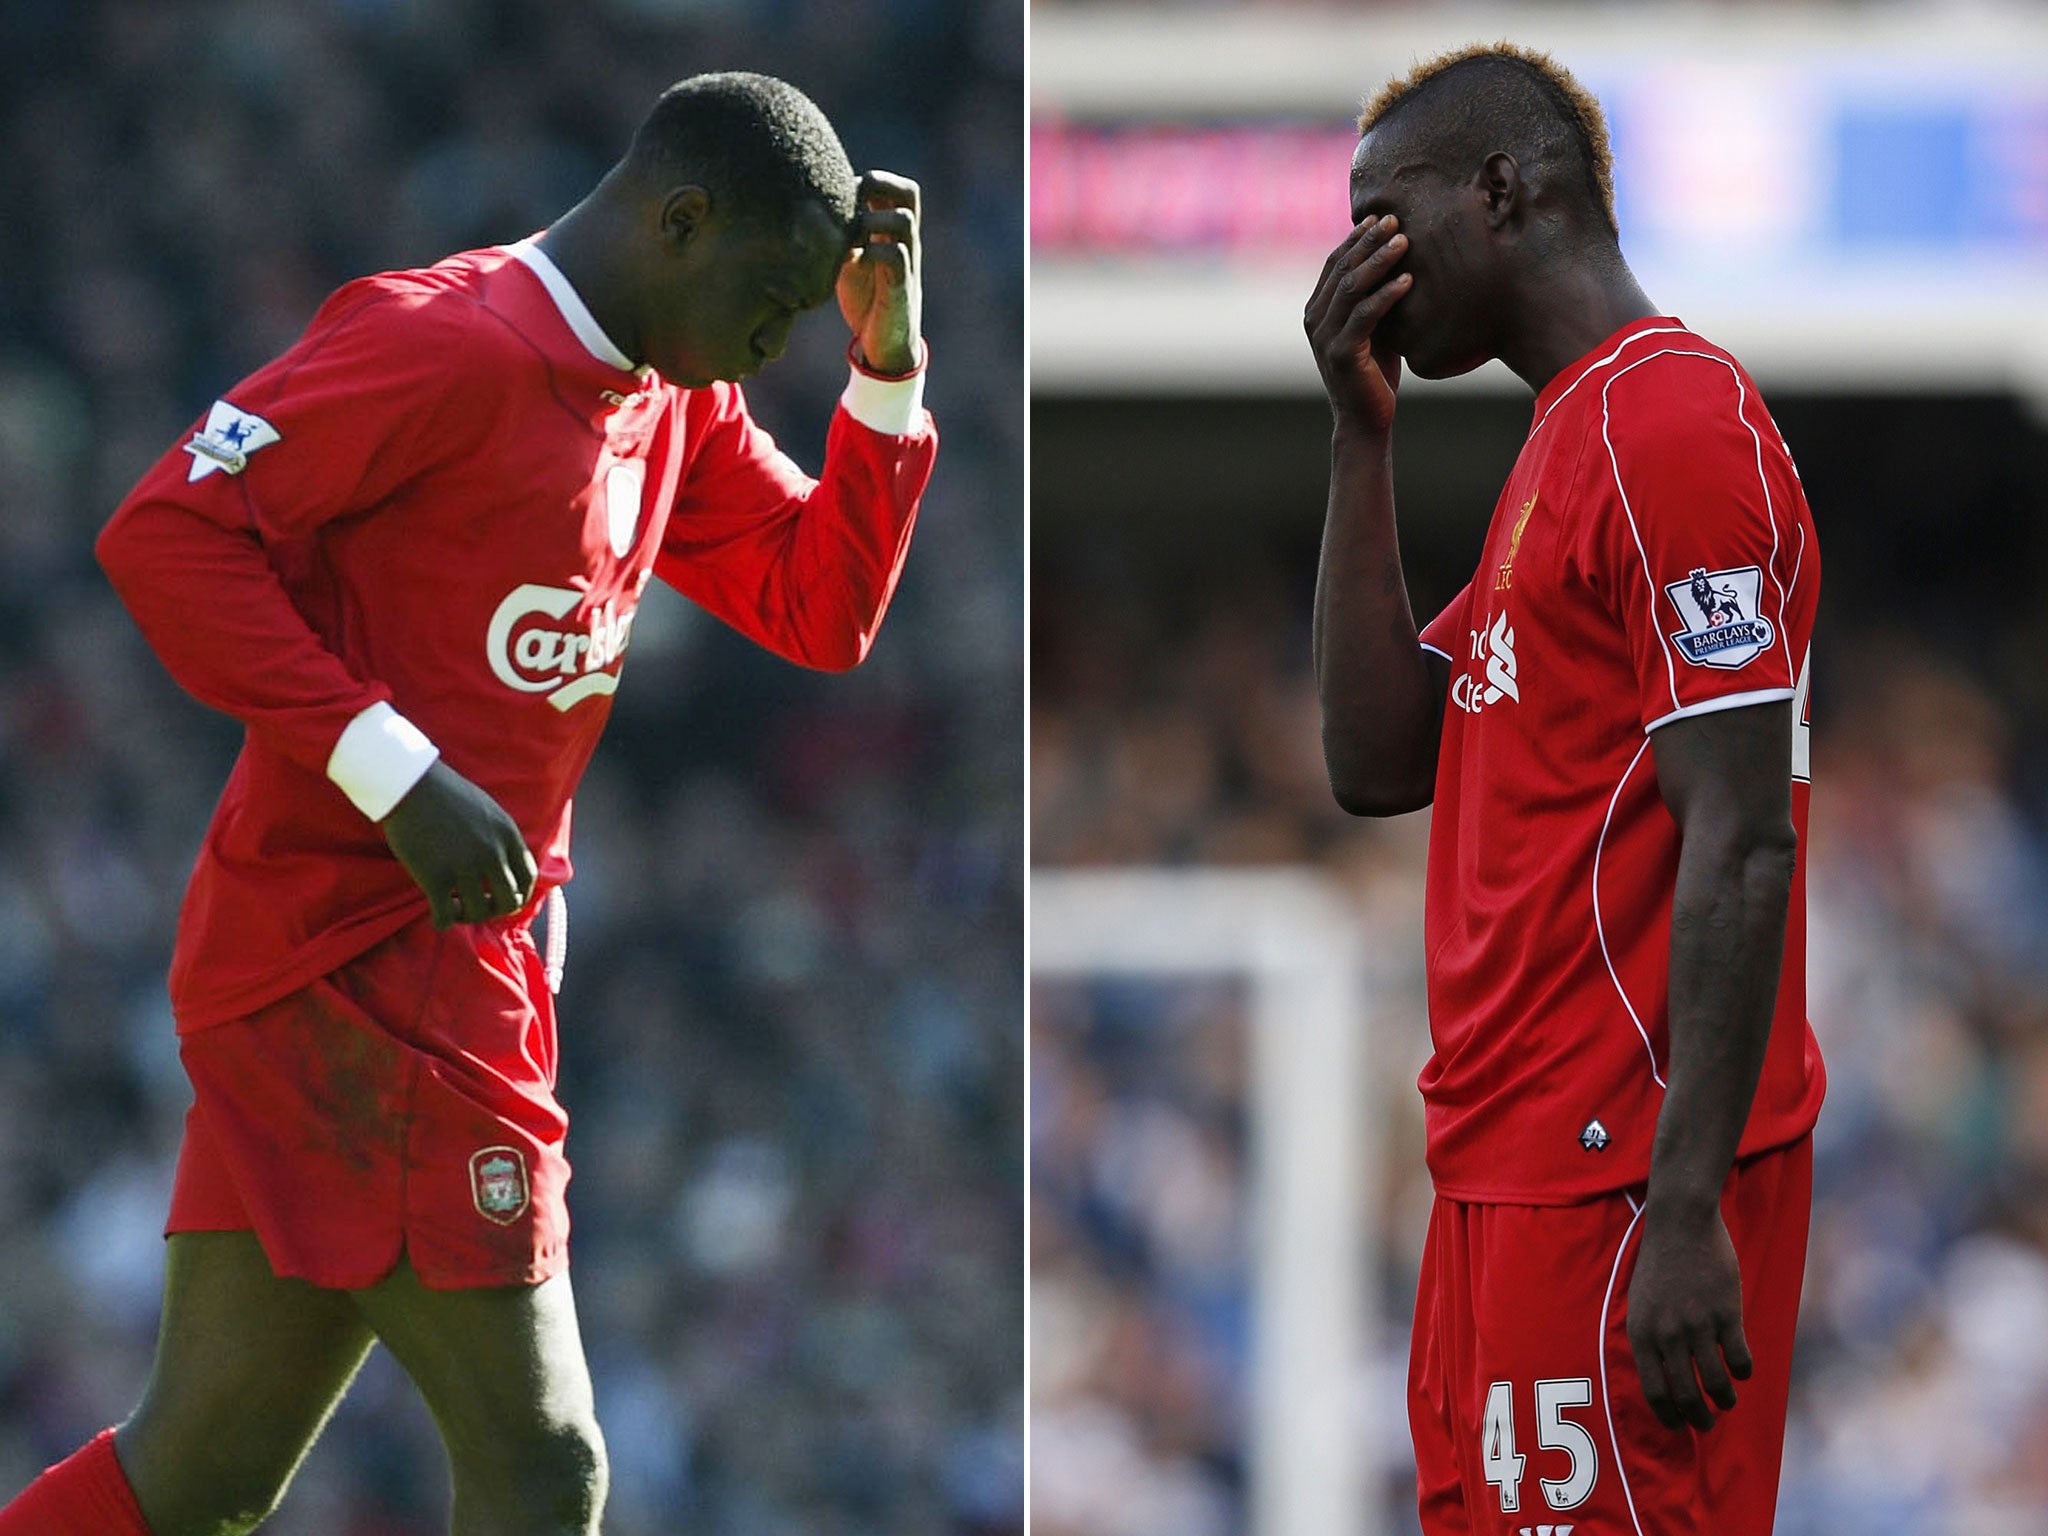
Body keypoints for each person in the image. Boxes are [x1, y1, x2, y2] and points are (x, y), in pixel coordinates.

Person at [0, 70, 935, 1536]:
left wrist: (888, 374)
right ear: (682, 222)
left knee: (199, 1473)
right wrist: (398, 771)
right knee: (546, 1459)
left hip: (404, 959)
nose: (776, 344)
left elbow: (822, 607)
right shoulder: (445, 343)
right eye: (770, 301)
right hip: (369, 970)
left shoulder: (669, 397)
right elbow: (167, 530)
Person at [1303, 43, 1822, 1534]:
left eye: (1381, 213)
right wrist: (1360, 431)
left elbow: (1741, 839)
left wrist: (1683, 1206)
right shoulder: (1567, 442)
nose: (1360, 258)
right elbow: (1378, 757)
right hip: (1505, 1182)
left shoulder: (1670, 429)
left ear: (1499, 190)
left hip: (1614, 1187)